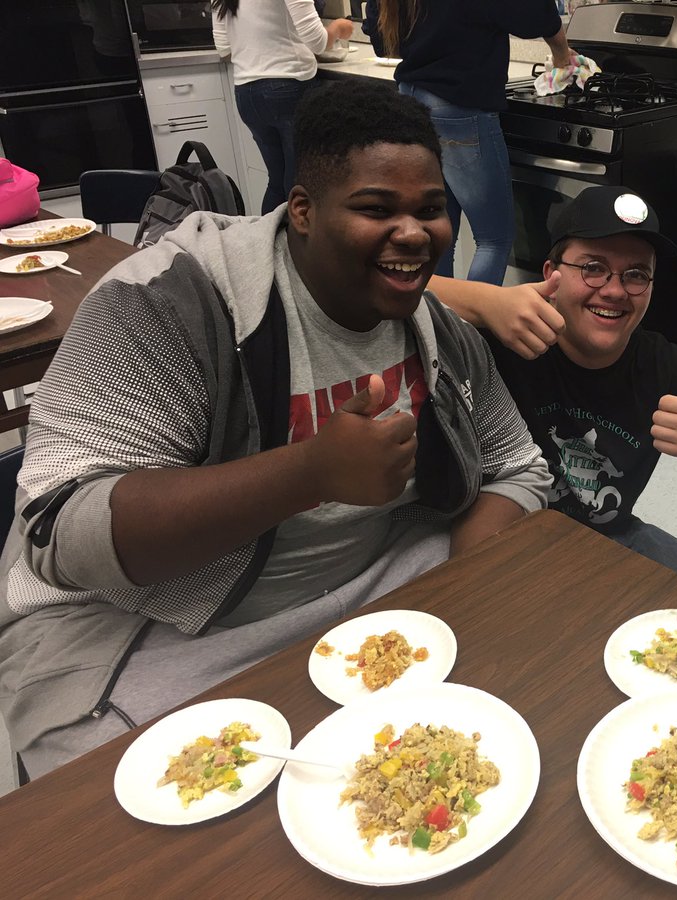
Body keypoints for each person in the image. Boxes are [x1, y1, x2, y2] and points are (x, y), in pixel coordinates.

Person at [0, 79, 550, 780]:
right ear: (302, 212)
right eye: (376, 208)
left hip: (374, 590)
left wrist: (453, 603)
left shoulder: (433, 325)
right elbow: (64, 537)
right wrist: (308, 473)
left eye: (432, 210)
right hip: (160, 625)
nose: (414, 233)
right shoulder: (168, 304)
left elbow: (518, 465)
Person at [435, 186, 677, 604]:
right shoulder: (505, 336)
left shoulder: (662, 366)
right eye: (593, 268)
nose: (614, 290)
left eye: (636, 274)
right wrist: (486, 299)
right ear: (551, 274)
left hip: (610, 542)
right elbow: (373, 286)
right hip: (506, 545)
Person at [363, 1, 575, 285]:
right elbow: (534, 14)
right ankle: (474, 328)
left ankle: (437, 325)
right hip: (459, 106)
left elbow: (383, 43)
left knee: (438, 231)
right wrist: (561, 52)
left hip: (412, 101)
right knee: (494, 239)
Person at [213, 0, 354, 213]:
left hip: (247, 93)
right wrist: (338, 28)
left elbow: (223, 47)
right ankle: (295, 245)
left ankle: (268, 243)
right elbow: (318, 41)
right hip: (288, 86)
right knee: (299, 182)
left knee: (277, 181)